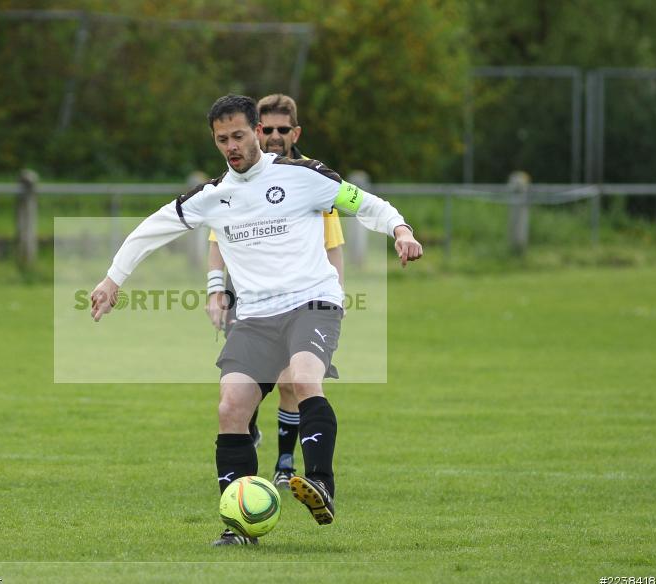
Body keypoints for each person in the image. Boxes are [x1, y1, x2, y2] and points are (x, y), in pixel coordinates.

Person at [90, 94, 422, 545]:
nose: (232, 146)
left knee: (304, 380)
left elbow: (365, 203)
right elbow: (151, 229)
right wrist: (112, 279)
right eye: (222, 139)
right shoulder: (213, 196)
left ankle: (320, 482)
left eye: (239, 136)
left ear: (258, 133)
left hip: (312, 302)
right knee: (231, 406)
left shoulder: (303, 177)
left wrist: (400, 229)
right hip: (255, 316)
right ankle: (239, 526)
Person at [205, 93, 345, 491]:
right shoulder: (232, 185)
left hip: (302, 296)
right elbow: (216, 238)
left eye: (285, 130)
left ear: (293, 132)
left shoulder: (305, 179)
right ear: (258, 129)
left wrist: (337, 293)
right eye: (271, 128)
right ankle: (246, 443)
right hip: (248, 297)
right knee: (236, 397)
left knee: (293, 379)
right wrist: (216, 290)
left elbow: (332, 243)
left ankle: (287, 464)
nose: (277, 136)